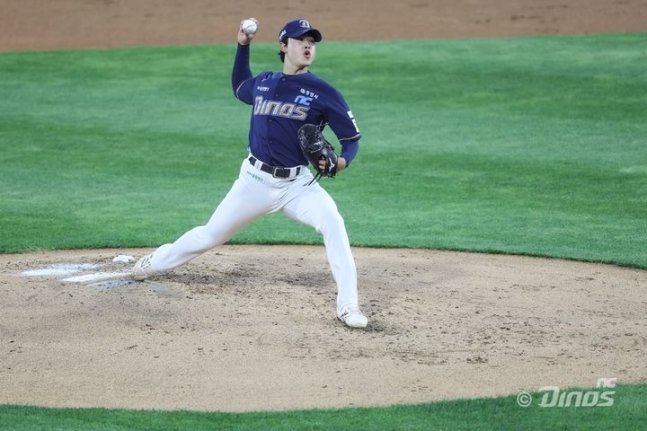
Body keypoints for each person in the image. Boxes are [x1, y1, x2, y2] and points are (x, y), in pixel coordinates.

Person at [132, 18, 368, 328]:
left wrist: (341, 162)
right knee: (211, 235)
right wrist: (243, 45)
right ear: (283, 46)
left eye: (312, 42)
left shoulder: (323, 92)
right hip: (253, 182)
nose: (308, 46)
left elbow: (351, 139)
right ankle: (156, 262)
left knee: (333, 224)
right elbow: (240, 85)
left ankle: (348, 307)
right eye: (301, 41)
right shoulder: (266, 82)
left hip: (297, 185)